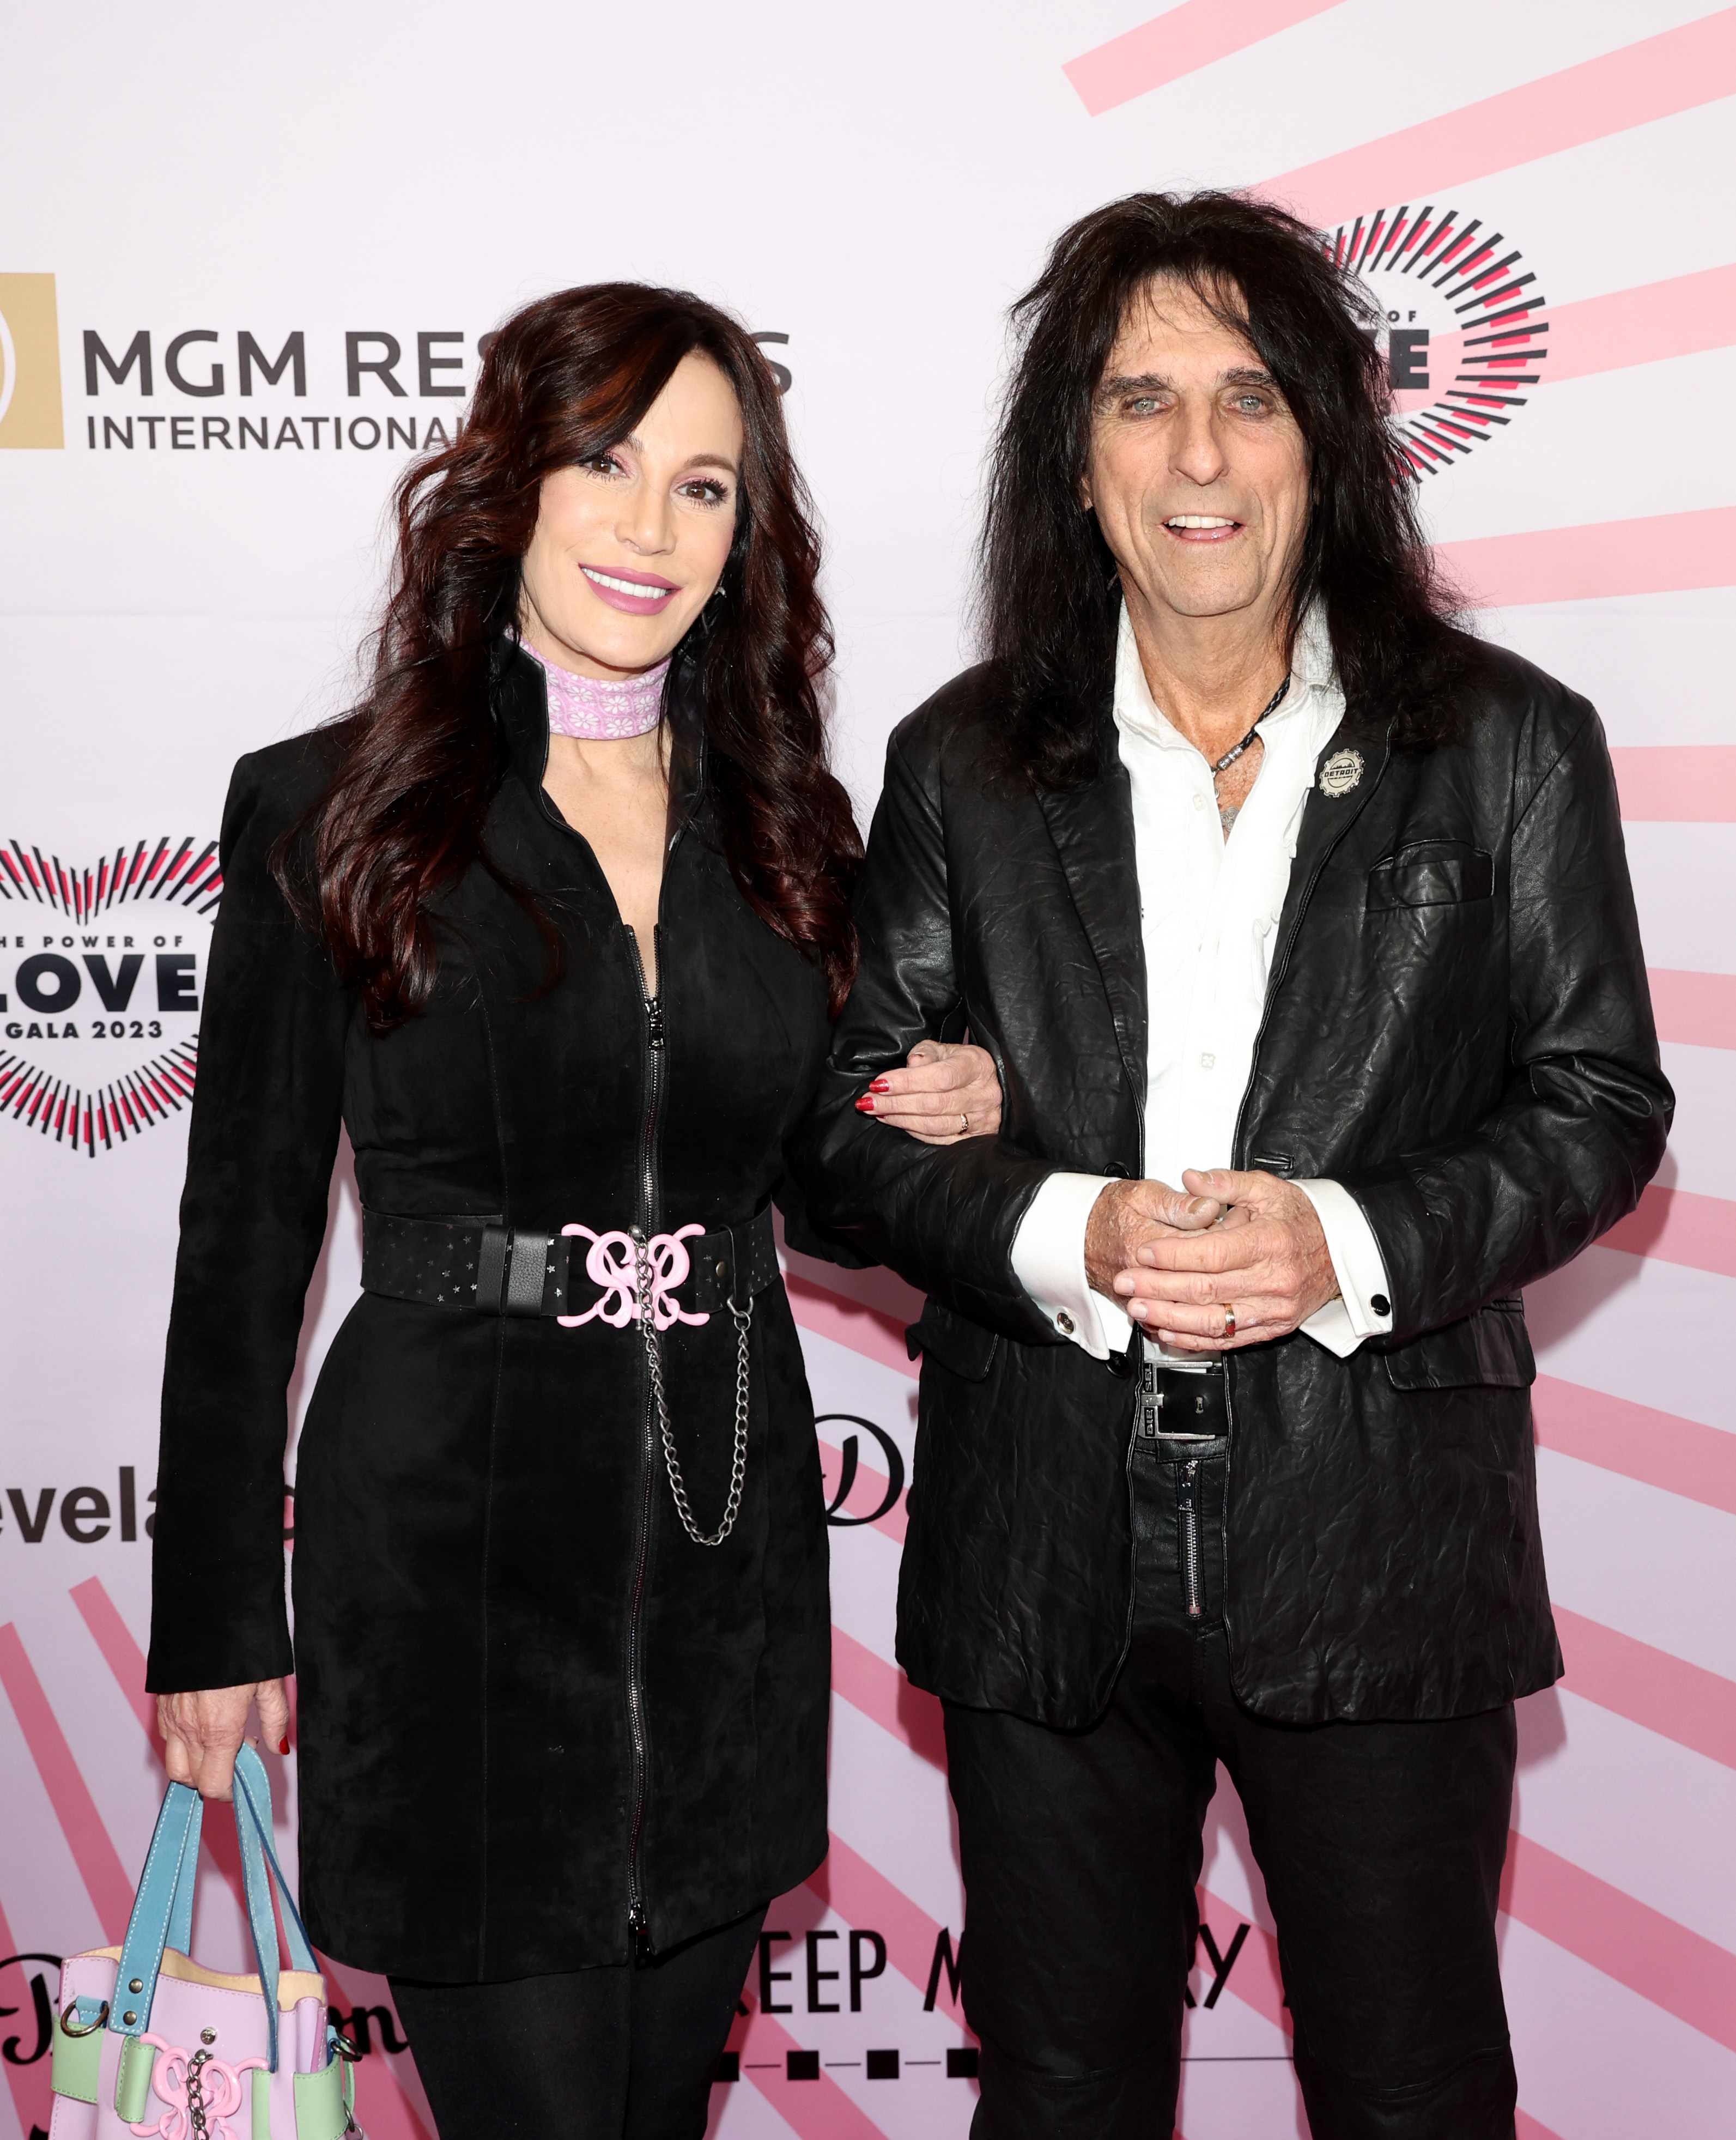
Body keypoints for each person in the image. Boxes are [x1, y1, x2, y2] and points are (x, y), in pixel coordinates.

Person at [797, 192, 1670, 2139]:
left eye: (1249, 398)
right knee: (1060, 2093)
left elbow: (1600, 1104)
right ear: (1074, 459)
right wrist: (1064, 1221)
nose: (1196, 455)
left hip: (1379, 1547)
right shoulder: (961, 763)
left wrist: (1335, 1236)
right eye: (1139, 401)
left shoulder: (1511, 745)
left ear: (1325, 444)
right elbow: (845, 1142)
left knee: (1413, 2091)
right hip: (1043, 1556)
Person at [144, 282, 1002, 2140]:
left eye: (703, 488)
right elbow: (241, 1251)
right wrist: (213, 1612)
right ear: (509, 484)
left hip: (723, 1571)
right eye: (604, 463)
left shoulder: (786, 823)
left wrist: (930, 1113)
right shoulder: (333, 808)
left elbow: (816, 1196)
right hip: (443, 1566)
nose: (647, 526)